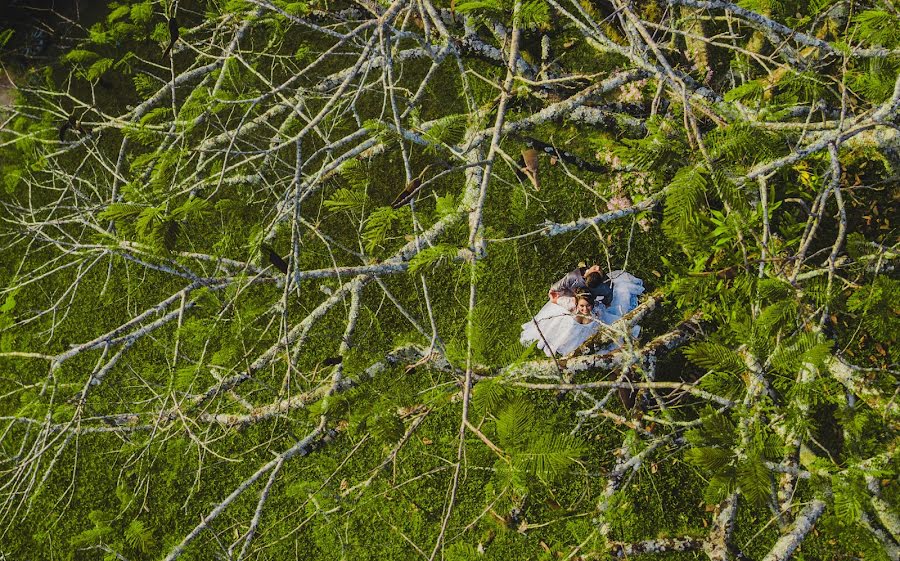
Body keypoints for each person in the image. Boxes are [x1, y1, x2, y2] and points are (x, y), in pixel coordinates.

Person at [520, 291, 600, 357]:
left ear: (592, 305)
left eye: (588, 305)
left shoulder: (595, 315)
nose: (585, 309)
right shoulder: (571, 308)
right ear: (577, 304)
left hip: (577, 338)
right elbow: (554, 301)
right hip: (567, 331)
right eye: (582, 306)